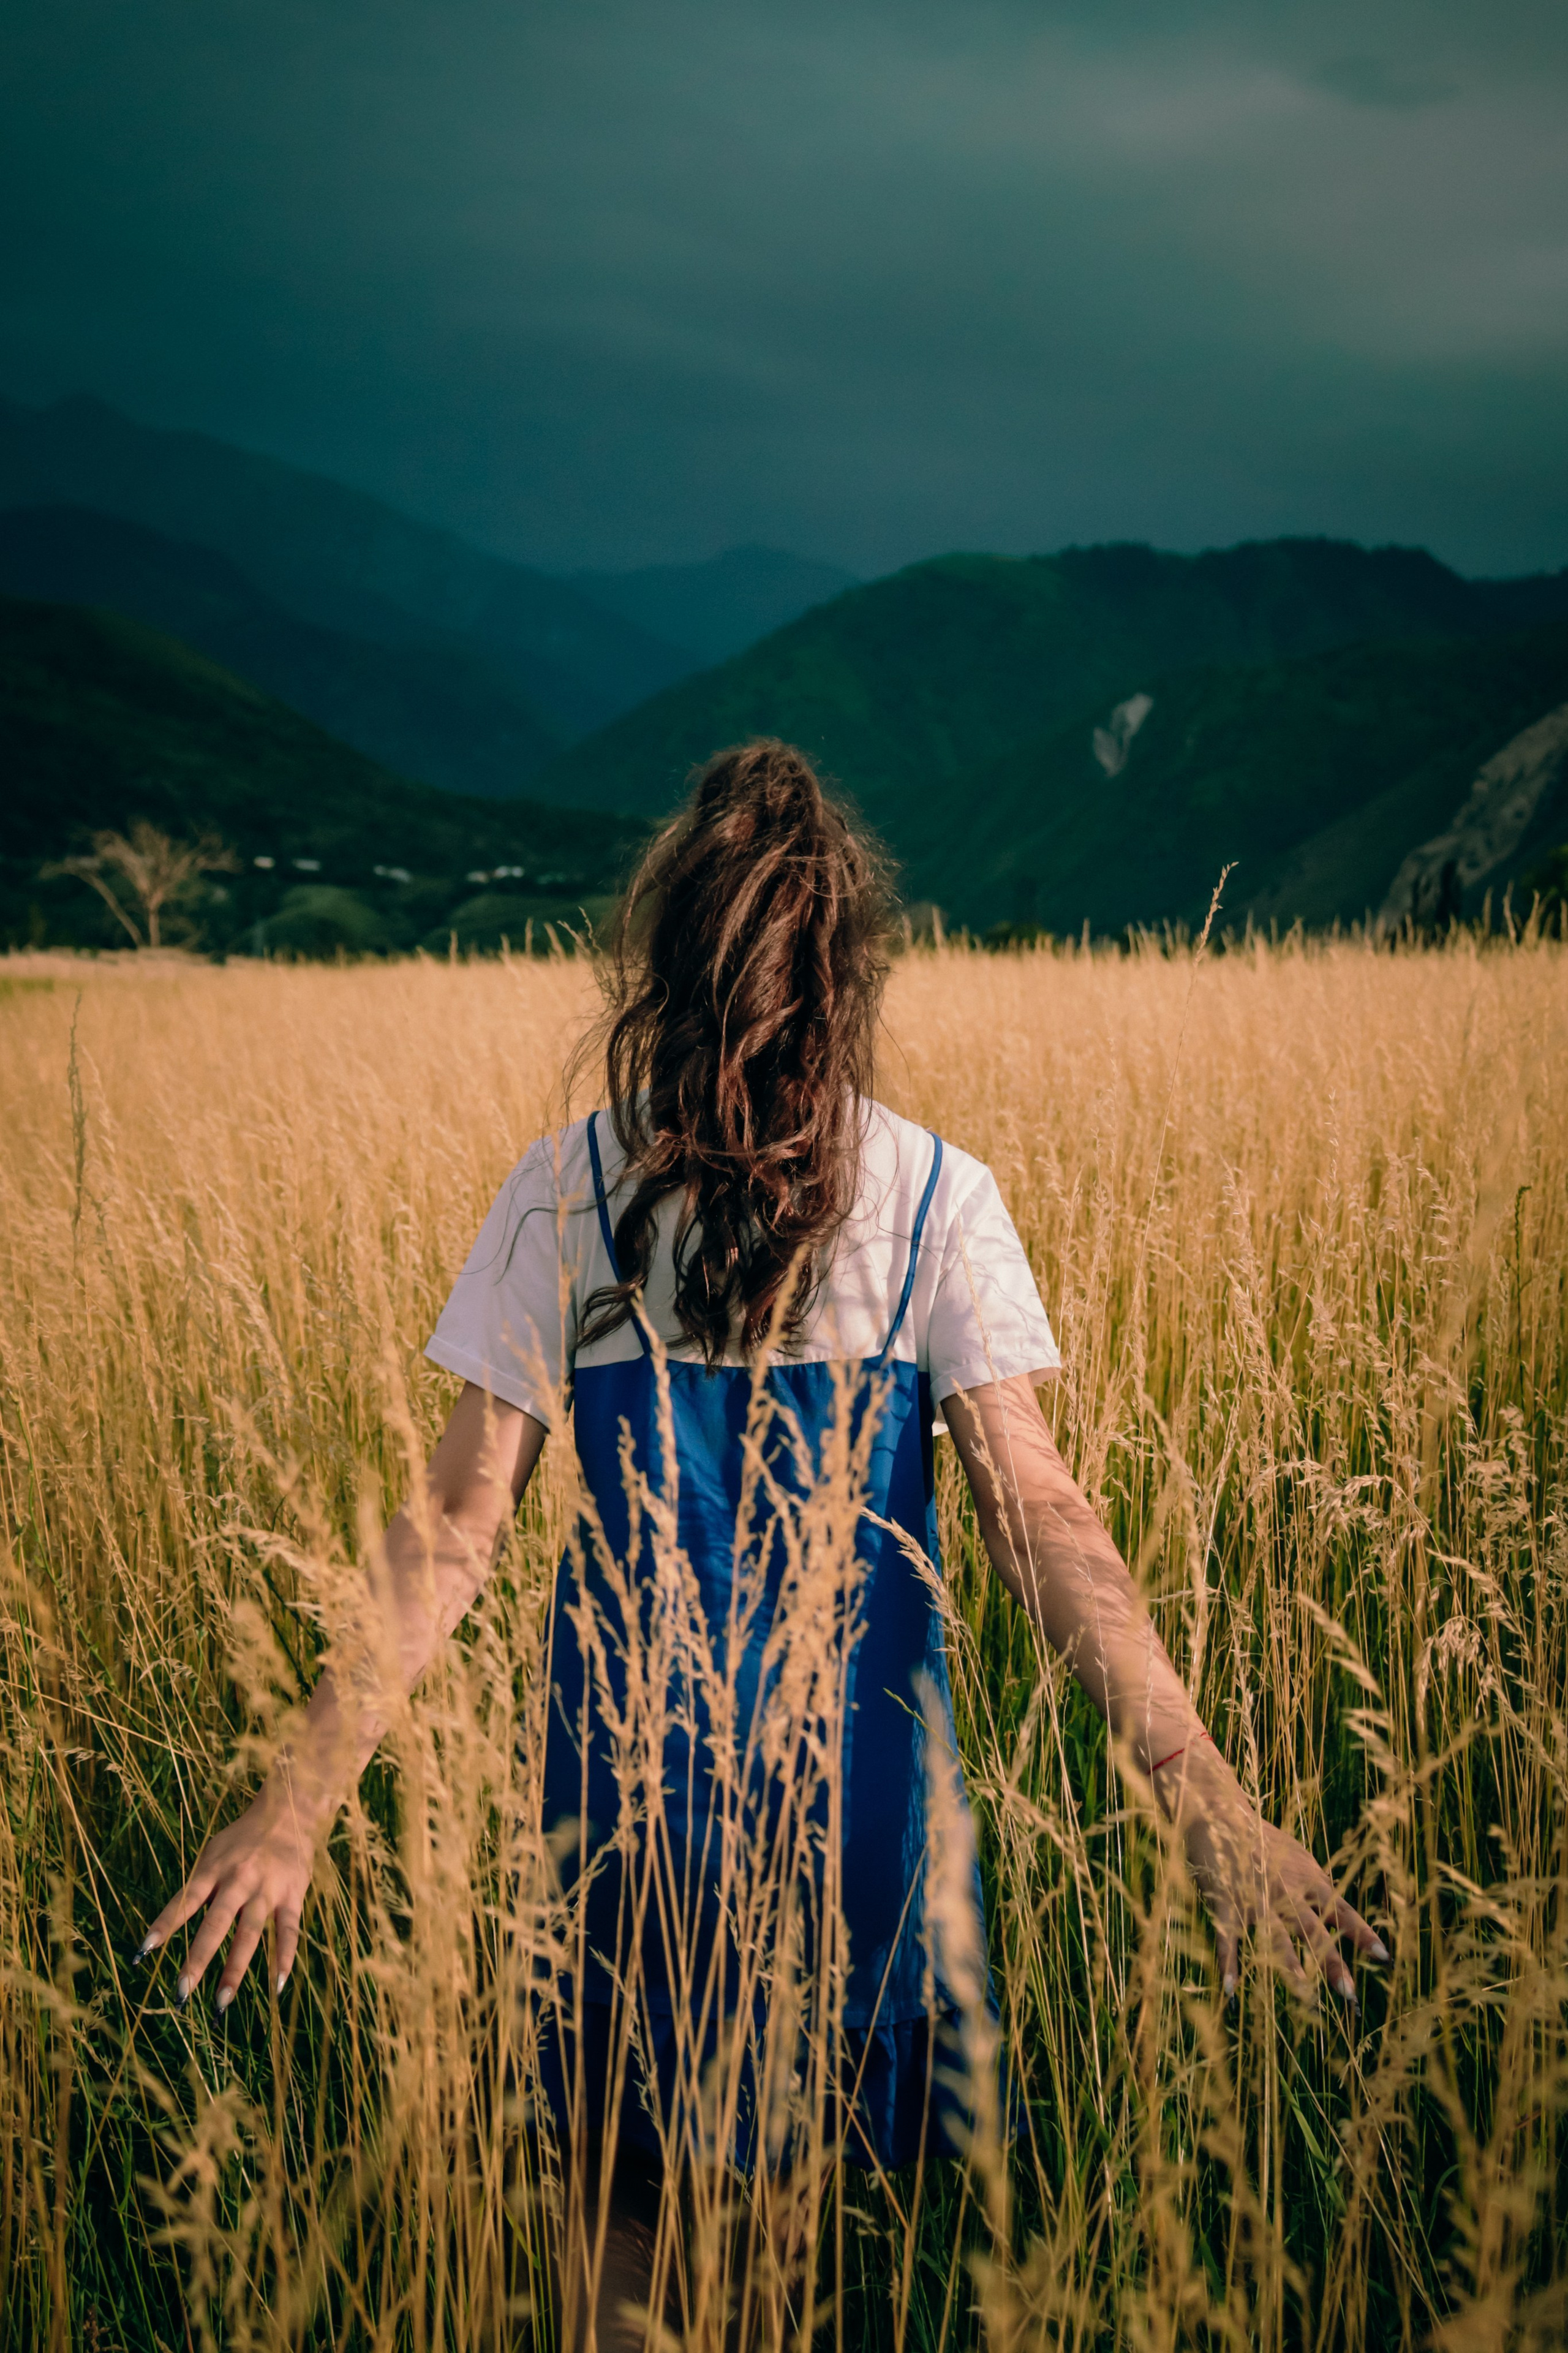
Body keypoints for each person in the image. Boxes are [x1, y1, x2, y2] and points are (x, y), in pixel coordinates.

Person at [141, 739, 1385, 2343]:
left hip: (621, 1848)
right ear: (845, 978)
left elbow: (457, 1527)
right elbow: (1042, 1518)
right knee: (818, 2294)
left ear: (662, 965)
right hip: (865, 1855)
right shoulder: (936, 1197)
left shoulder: (565, 1194)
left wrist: (298, 1803)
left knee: (622, 2278)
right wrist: (1207, 1800)